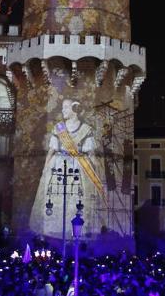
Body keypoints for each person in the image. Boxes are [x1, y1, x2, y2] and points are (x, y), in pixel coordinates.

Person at [30, 99, 108, 239]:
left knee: (77, 201)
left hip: (79, 166)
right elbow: (51, 151)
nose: (63, 110)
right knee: (55, 201)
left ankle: (77, 233)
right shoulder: (59, 128)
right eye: (63, 107)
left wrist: (97, 166)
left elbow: (91, 154)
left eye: (66, 107)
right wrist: (45, 168)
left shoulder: (85, 129)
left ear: (75, 109)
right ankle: (53, 231)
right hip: (58, 167)